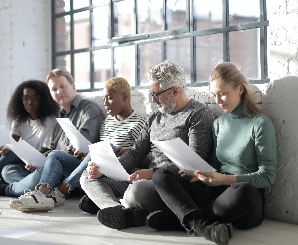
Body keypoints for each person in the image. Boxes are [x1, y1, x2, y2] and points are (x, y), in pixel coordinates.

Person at [144, 63, 277, 245]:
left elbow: (268, 177)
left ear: (240, 89)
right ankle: (203, 227)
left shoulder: (260, 124)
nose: (218, 101)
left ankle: (180, 221)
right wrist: (200, 176)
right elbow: (214, 166)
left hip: (244, 201)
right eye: (214, 95)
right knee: (161, 174)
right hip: (216, 194)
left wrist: (223, 179)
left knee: (245, 190)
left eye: (222, 93)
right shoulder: (219, 124)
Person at [81, 61, 214, 227]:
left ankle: (129, 208)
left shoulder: (197, 114)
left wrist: (152, 173)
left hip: (172, 185)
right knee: (87, 176)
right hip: (145, 180)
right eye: (151, 94)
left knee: (136, 191)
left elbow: (195, 163)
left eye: (156, 94)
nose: (152, 99)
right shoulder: (153, 118)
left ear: (174, 90)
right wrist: (106, 168)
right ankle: (117, 210)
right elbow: (135, 153)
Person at [9, 77, 147, 212]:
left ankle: (59, 192)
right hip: (94, 171)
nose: (105, 103)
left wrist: (129, 152)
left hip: (118, 175)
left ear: (124, 97)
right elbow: (98, 151)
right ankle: (42, 193)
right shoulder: (108, 122)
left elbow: (147, 158)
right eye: (104, 99)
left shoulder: (139, 123)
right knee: (56, 154)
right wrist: (85, 155)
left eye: (109, 98)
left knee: (107, 148)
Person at [0, 68, 105, 208]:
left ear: (73, 87)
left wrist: (50, 159)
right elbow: (53, 148)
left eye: (62, 87)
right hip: (55, 166)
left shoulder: (89, 109)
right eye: (54, 89)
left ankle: (6, 189)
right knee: (8, 171)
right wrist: (39, 161)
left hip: (76, 168)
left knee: (38, 174)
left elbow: (83, 147)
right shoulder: (60, 116)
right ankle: (31, 185)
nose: (59, 92)